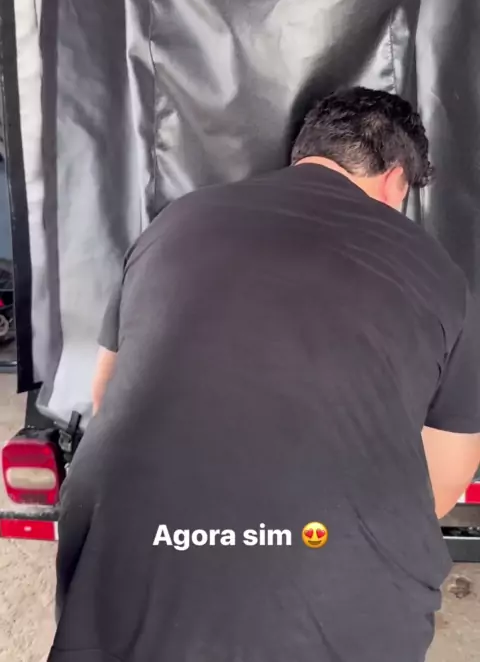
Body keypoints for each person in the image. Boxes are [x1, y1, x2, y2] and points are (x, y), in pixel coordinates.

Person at [49, 88, 480, 662]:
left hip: (119, 549)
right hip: (333, 584)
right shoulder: (443, 277)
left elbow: (107, 391)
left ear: (305, 154)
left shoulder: (175, 221)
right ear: (396, 179)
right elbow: (442, 484)